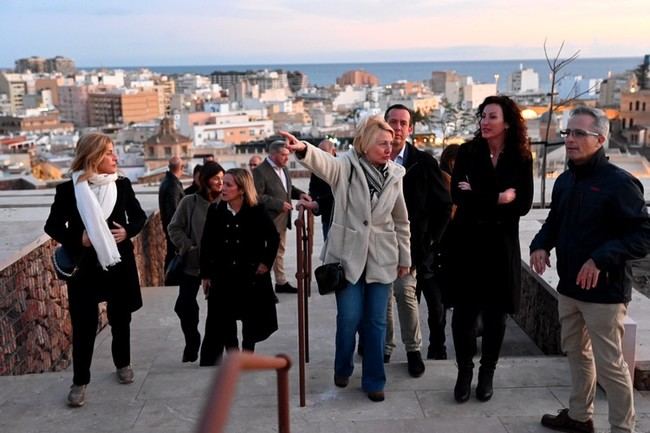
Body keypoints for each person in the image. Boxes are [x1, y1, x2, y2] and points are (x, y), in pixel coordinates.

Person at [531, 107, 650, 433]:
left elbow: (642, 235)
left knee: (611, 366)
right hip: (569, 287)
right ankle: (580, 416)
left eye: (578, 133)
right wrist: (539, 244)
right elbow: (554, 222)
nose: (570, 139)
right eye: (568, 133)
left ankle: (622, 428)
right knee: (576, 354)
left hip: (605, 293)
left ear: (600, 139)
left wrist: (601, 258)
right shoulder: (566, 179)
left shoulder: (620, 183)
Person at [280, 114, 411, 403]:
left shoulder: (395, 176)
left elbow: (401, 220)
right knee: (349, 318)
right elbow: (323, 163)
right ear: (364, 144)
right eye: (382, 143)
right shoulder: (345, 167)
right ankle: (343, 366)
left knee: (376, 323)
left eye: (391, 143)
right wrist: (303, 149)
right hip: (348, 259)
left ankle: (374, 380)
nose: (389, 148)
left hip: (382, 258)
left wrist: (405, 257)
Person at [44, 133, 146, 408]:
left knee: (121, 318)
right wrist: (79, 239)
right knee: (84, 326)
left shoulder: (121, 186)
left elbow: (139, 216)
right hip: (85, 268)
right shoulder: (69, 190)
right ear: (93, 157)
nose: (116, 158)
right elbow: (52, 226)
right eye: (110, 153)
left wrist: (128, 231)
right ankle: (80, 382)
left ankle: (123, 364)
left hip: (117, 264)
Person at [446, 95, 533, 403]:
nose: (484, 121)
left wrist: (480, 195)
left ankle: (487, 373)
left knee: (496, 316)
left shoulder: (521, 157)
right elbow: (459, 196)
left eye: (492, 116)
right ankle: (464, 371)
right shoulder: (468, 152)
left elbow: (522, 204)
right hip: (468, 245)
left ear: (507, 121)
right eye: (482, 116)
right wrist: (498, 198)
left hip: (501, 247)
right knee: (463, 316)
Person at [382, 104, 452, 376]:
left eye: (402, 123)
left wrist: (430, 243)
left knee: (407, 297)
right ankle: (383, 351)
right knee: (383, 301)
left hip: (414, 249)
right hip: (379, 247)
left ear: (410, 129)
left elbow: (444, 206)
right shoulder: (374, 160)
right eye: (393, 122)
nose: (397, 128)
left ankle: (415, 351)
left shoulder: (423, 163)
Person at [199, 168, 280, 366]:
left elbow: (273, 237)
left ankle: (248, 354)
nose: (222, 187)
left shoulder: (257, 210)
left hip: (250, 275)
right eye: (222, 183)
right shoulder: (215, 211)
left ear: (242, 189)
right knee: (225, 319)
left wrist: (265, 263)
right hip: (223, 275)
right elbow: (206, 244)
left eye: (228, 184)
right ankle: (235, 356)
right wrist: (206, 275)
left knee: (251, 318)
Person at [168, 162, 224, 363]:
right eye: (216, 178)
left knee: (218, 310)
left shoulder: (226, 202)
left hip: (218, 266)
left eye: (222, 178)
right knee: (184, 306)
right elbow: (174, 227)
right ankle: (192, 341)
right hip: (192, 265)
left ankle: (213, 350)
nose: (220, 182)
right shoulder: (189, 202)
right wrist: (189, 246)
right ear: (205, 180)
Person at [253, 140, 312, 294]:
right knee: (269, 252)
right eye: (284, 155)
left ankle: (280, 282)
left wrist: (300, 194)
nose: (287, 158)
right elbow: (256, 196)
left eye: (288, 155)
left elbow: (287, 189)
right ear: (273, 155)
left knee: (279, 250)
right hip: (269, 219)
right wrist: (278, 204)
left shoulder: (283, 168)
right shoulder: (260, 171)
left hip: (282, 218)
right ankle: (267, 284)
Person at [300, 139, 336, 239]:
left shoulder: (343, 167)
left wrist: (316, 204)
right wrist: (308, 199)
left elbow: (338, 193)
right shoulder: (316, 170)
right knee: (329, 249)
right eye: (319, 151)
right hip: (327, 217)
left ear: (333, 151)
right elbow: (313, 190)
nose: (321, 155)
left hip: (342, 218)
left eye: (324, 151)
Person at [158, 156, 185, 270]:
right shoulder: (173, 185)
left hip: (170, 228)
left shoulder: (168, 182)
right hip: (174, 230)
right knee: (173, 256)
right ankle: (171, 280)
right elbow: (173, 211)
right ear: (181, 168)